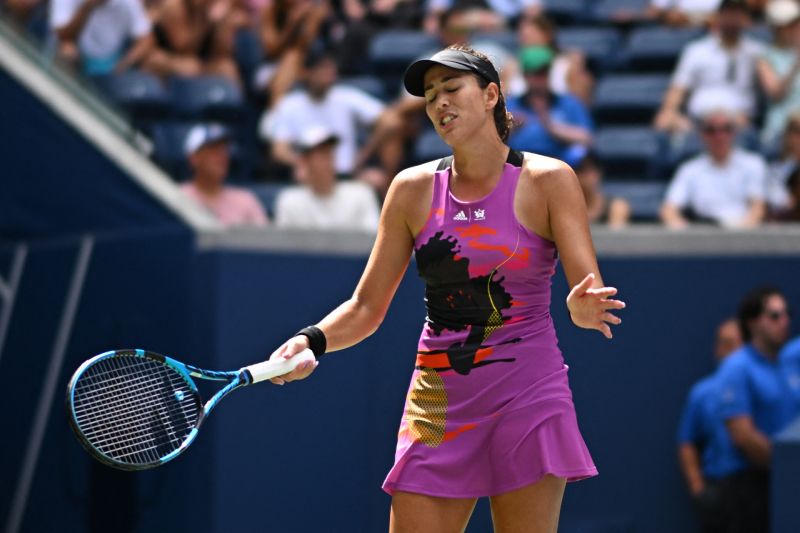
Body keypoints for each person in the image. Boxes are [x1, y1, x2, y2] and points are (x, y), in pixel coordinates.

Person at [263, 44, 625, 532]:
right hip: (437, 404)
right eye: (430, 96)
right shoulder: (410, 189)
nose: (439, 104)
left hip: (529, 397)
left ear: (491, 94)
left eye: (452, 89)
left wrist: (583, 309)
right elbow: (366, 307)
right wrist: (313, 339)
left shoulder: (548, 180)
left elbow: (588, 291)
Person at [260, 49, 403, 193]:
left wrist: (363, 154)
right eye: (322, 67)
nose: (328, 73)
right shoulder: (290, 104)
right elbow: (279, 150)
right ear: (306, 72)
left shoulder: (345, 96)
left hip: (347, 175)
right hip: (309, 179)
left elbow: (391, 121)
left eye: (330, 67)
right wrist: (304, 163)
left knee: (377, 179)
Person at [715, 286, 797, 533]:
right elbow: (743, 435)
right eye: (774, 315)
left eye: (787, 314)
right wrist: (787, 466)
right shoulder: (736, 367)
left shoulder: (789, 365)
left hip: (786, 482)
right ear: (752, 323)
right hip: (749, 486)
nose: (784, 321)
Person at [654, 0, 764, 134]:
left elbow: (773, 91)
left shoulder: (758, 53)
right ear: (718, 16)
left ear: (747, 19)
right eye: (729, 13)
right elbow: (677, 89)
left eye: (738, 14)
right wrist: (670, 111)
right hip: (698, 124)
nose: (733, 19)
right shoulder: (696, 51)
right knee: (664, 120)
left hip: (740, 123)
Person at [676, 318, 742, 533]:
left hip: (755, 484)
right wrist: (698, 489)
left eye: (735, 343)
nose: (729, 350)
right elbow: (686, 442)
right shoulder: (702, 392)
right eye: (724, 343)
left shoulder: (757, 384)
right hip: (718, 486)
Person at [660, 109, 767, 228]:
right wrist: (686, 233)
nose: (719, 136)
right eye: (711, 130)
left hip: (745, 234)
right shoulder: (689, 170)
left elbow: (758, 208)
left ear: (734, 133)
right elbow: (668, 210)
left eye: (725, 129)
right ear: (702, 134)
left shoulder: (753, 164)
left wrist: (739, 235)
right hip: (703, 235)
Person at [274, 126, 380, 232]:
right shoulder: (289, 201)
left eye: (329, 153)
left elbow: (373, 239)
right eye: (321, 154)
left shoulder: (362, 194)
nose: (328, 160)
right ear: (304, 161)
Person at [506, 45, 593, 168]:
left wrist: (552, 127)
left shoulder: (568, 102)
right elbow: (495, 139)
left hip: (559, 163)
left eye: (543, 73)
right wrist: (512, 127)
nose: (539, 79)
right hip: (518, 164)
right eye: (535, 74)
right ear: (525, 76)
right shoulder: (511, 103)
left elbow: (586, 137)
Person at [181, 124, 269, 226]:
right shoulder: (177, 197)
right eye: (213, 150)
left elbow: (265, 240)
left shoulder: (245, 200)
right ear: (194, 158)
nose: (221, 156)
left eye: (223, 150)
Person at [50, 0, 154, 76]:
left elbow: (146, 38)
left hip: (107, 66)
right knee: (67, 51)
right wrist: (87, 8)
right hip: (73, 52)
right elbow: (62, 35)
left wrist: (125, 64)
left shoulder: (130, 3)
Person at [756, 0, 800, 148]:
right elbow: (776, 94)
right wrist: (796, 64)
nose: (793, 29)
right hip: (781, 128)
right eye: (788, 25)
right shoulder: (765, 57)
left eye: (795, 23)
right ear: (776, 28)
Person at [574, 153, 631, 227]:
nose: (583, 176)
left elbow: (616, 237)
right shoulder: (565, 209)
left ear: (598, 172)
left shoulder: (616, 207)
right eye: (579, 170)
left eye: (587, 170)